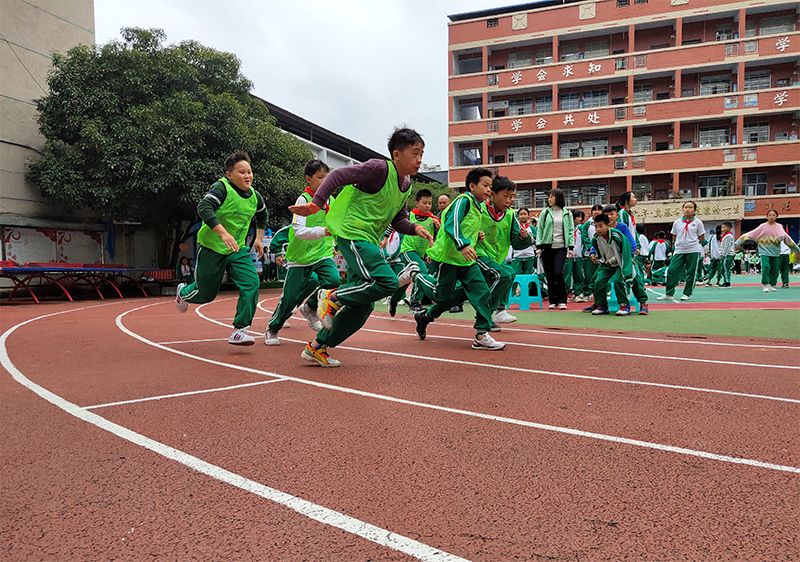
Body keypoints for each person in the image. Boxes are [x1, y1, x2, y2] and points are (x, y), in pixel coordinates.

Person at [288, 128, 434, 367]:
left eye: (422, 154)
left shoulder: (406, 185)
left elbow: (398, 219)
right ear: (397, 154)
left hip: (367, 238)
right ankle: (331, 296)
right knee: (386, 282)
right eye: (415, 153)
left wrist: (415, 228)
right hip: (351, 232)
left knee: (363, 307)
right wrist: (317, 204)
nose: (420, 159)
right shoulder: (378, 169)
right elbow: (338, 176)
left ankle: (317, 347)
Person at [175, 151, 266, 345]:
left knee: (251, 284)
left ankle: (240, 330)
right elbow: (204, 207)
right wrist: (223, 233)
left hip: (237, 249)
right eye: (242, 172)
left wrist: (258, 238)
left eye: (249, 171)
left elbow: (262, 215)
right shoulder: (221, 188)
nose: (247, 176)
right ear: (229, 175)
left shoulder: (255, 197)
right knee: (206, 294)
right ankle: (183, 292)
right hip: (212, 247)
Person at [413, 168, 505, 350]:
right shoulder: (463, 201)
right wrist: (463, 243)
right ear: (472, 186)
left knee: (482, 292)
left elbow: (465, 226)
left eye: (490, 186)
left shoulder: (478, 206)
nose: (489, 190)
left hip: (467, 262)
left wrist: (474, 237)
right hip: (449, 259)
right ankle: (416, 274)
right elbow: (451, 224)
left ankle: (481, 334)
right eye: (485, 185)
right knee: (442, 297)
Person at [265, 160, 341, 345]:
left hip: (322, 253)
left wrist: (336, 242)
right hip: (300, 257)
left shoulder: (331, 201)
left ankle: (310, 307)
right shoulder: (303, 201)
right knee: (289, 299)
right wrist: (324, 232)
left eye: (327, 178)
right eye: (320, 177)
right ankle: (272, 328)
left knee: (333, 281)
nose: (325, 182)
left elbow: (337, 224)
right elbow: (299, 231)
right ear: (308, 179)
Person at [475, 176, 531, 325]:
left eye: (512, 197)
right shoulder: (479, 209)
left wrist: (523, 237)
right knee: (504, 274)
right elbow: (466, 229)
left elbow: (517, 243)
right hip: (477, 255)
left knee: (509, 272)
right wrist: (474, 236)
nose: (510, 200)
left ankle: (499, 310)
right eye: (506, 196)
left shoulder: (511, 215)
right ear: (492, 194)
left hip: (496, 258)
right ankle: (486, 316)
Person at [386, 188, 440, 316]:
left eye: (430, 203)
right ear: (417, 203)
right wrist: (385, 238)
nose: (427, 205)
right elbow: (393, 224)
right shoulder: (409, 216)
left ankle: (393, 300)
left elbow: (436, 238)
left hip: (422, 254)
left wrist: (430, 252)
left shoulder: (433, 220)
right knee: (421, 272)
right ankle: (415, 302)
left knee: (408, 279)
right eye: (424, 203)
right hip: (407, 250)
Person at [582, 213, 634, 316]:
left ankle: (624, 305)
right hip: (607, 264)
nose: (598, 229)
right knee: (598, 281)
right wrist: (595, 255)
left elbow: (625, 252)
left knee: (619, 281)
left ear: (608, 225)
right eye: (596, 226)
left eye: (601, 226)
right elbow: (598, 252)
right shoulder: (596, 238)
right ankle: (602, 306)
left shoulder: (617, 236)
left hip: (621, 263)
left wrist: (626, 269)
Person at [735, 210, 800, 292]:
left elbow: (785, 237)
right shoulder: (762, 226)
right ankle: (765, 284)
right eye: (769, 215)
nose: (771, 217)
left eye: (773, 215)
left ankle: (772, 285)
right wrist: (738, 242)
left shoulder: (779, 226)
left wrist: (796, 249)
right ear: (767, 216)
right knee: (766, 267)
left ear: (776, 217)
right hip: (764, 251)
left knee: (775, 269)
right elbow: (750, 234)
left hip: (776, 252)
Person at [603, 204, 649, 314]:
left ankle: (642, 303)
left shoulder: (622, 227)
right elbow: (596, 244)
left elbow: (631, 242)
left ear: (617, 215)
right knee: (597, 281)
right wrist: (593, 253)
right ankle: (600, 305)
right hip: (609, 262)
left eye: (611, 214)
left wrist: (632, 252)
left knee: (634, 278)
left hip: (624, 259)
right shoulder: (601, 228)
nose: (609, 217)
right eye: (606, 215)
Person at [658, 201, 705, 302]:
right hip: (679, 250)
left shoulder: (698, 222)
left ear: (694, 210)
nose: (688, 209)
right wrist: (675, 246)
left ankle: (687, 293)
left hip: (693, 250)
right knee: (672, 270)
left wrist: (695, 245)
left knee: (690, 272)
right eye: (686, 207)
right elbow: (674, 235)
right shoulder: (677, 222)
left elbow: (701, 237)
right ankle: (669, 294)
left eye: (690, 207)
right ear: (683, 209)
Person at [536, 188, 574, 309]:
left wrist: (571, 246)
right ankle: (553, 300)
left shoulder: (567, 213)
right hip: (547, 247)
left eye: (552, 197)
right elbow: (540, 229)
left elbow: (570, 230)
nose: (549, 199)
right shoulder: (545, 212)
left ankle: (563, 299)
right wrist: (539, 245)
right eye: (549, 197)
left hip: (561, 247)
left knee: (558, 272)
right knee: (549, 274)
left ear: (558, 198)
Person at [576, 203, 603, 301]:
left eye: (599, 209)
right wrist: (591, 248)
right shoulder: (587, 223)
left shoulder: (605, 223)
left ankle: (599, 294)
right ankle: (587, 293)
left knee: (600, 275)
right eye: (594, 209)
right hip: (589, 254)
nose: (597, 211)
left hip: (602, 254)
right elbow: (584, 237)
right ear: (591, 212)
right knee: (588, 275)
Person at [565, 210, 585, 302]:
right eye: (578, 217)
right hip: (567, 255)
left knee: (578, 275)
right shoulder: (567, 229)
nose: (580, 219)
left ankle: (577, 293)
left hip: (578, 255)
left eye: (581, 217)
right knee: (567, 275)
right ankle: (565, 294)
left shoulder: (580, 228)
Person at [512, 208, 536, 275]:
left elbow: (536, 239)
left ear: (528, 216)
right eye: (521, 214)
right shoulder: (515, 227)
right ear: (518, 216)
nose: (523, 216)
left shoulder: (531, 228)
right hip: (517, 256)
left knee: (528, 277)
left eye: (525, 214)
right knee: (515, 277)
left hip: (530, 256)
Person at [718, 222, 735, 288]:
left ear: (729, 228)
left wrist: (723, 255)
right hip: (726, 254)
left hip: (727, 254)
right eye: (722, 227)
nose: (722, 229)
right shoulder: (725, 235)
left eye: (723, 227)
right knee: (724, 268)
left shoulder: (728, 236)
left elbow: (727, 247)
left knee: (725, 268)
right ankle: (726, 281)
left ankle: (727, 282)